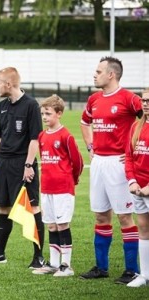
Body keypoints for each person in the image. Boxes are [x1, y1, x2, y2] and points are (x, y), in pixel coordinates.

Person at [79, 56, 142, 284]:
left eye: (98, 71)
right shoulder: (94, 99)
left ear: (111, 74)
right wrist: (90, 146)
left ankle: (132, 270)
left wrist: (135, 148)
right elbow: (85, 122)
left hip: (119, 163)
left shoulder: (129, 98)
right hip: (99, 164)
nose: (94, 75)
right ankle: (101, 267)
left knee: (125, 216)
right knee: (100, 214)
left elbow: (145, 119)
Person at [0, 67, 45, 268]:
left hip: (22, 163)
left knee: (32, 208)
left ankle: (38, 257)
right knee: (3, 207)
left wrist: (29, 165)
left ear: (9, 84)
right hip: (4, 164)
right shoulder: (2, 106)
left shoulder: (31, 105)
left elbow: (35, 139)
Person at [32, 95, 83, 277]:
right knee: (51, 226)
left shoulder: (66, 136)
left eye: (48, 113)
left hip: (63, 187)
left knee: (62, 225)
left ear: (59, 114)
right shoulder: (42, 135)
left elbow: (78, 161)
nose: (44, 117)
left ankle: (66, 265)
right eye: (42, 114)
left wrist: (73, 179)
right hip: (47, 188)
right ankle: (53, 264)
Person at [124, 89, 149, 287]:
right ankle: (145, 275)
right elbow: (129, 157)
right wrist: (132, 181)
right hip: (138, 189)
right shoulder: (136, 127)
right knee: (143, 229)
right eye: (144, 100)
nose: (146, 104)